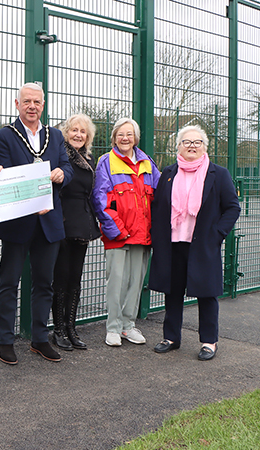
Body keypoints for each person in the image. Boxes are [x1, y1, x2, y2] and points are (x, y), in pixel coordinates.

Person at [0, 83, 73, 365]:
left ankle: (39, 339)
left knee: (44, 283)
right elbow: (1, 170)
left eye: (37, 102)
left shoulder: (56, 135)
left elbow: (68, 166)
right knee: (8, 282)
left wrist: (63, 173)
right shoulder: (5, 135)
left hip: (49, 222)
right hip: (19, 220)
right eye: (26, 101)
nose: (32, 106)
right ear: (17, 104)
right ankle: (5, 341)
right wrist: (1, 174)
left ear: (43, 104)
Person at [149, 125, 240, 361]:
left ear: (205, 147)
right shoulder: (168, 173)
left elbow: (232, 207)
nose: (191, 145)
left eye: (197, 142)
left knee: (207, 293)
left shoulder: (218, 174)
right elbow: (158, 208)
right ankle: (171, 337)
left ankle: (209, 341)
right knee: (173, 291)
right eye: (186, 142)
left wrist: (218, 234)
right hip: (174, 243)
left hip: (203, 244)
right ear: (178, 146)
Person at [92, 118, 160, 347]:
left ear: (135, 138)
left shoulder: (147, 163)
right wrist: (117, 231)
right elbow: (100, 201)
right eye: (121, 134)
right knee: (117, 282)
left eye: (129, 134)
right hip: (119, 236)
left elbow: (160, 194)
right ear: (114, 137)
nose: (125, 138)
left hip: (143, 235)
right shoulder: (106, 162)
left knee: (135, 282)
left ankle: (128, 326)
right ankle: (112, 327)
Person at [50, 114, 101, 351]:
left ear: (88, 136)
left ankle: (71, 327)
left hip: (82, 223)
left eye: (83, 131)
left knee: (75, 279)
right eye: (74, 130)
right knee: (60, 278)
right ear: (66, 133)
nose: (78, 134)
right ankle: (58, 329)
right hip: (61, 221)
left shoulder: (90, 158)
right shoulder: (60, 156)